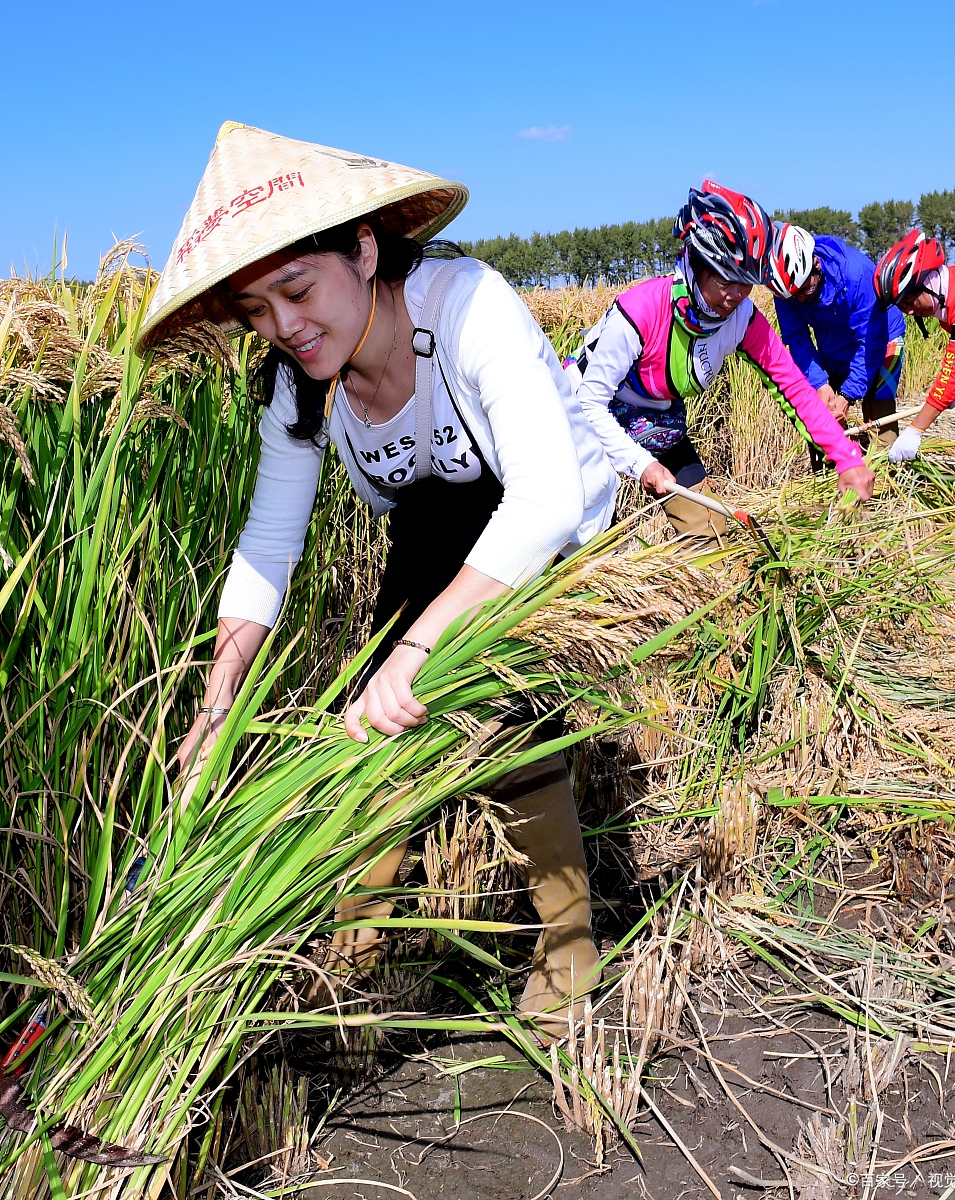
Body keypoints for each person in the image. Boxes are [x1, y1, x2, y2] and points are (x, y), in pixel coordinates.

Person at [141, 121, 621, 1032]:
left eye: (296, 289)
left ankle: (568, 943)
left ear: (363, 250)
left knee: (509, 713)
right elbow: (267, 547)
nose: (284, 326)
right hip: (436, 529)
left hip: (553, 525)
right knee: (367, 719)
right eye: (256, 310)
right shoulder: (299, 386)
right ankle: (352, 949)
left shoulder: (466, 304)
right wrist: (215, 706)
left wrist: (419, 647)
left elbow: (547, 498)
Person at [569, 181, 874, 553]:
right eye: (723, 279)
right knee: (587, 544)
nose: (735, 296)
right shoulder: (641, 312)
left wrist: (845, 457)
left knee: (711, 535)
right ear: (694, 265)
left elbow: (794, 388)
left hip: (656, 420)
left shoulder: (742, 319)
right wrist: (639, 463)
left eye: (746, 282)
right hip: (583, 420)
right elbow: (589, 403)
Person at [873, 229, 955, 501]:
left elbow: (951, 371)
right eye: (901, 306)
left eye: (910, 300)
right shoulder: (948, 298)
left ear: (928, 281)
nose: (909, 311)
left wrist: (916, 430)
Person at [768, 222, 906, 450]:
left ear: (816, 265)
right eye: (793, 296)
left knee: (879, 419)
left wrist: (848, 395)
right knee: (823, 416)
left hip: (883, 339)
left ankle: (884, 464)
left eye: (806, 290)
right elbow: (797, 338)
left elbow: (870, 342)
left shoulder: (858, 275)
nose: (800, 300)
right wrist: (820, 384)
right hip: (834, 345)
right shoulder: (785, 286)